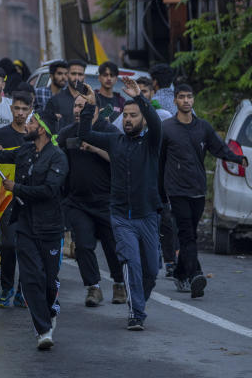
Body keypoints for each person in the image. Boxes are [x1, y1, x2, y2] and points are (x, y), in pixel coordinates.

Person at [0, 109, 68, 350]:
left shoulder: (57, 157)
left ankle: (50, 311)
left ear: (44, 130)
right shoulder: (25, 150)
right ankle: (43, 329)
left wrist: (17, 188)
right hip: (25, 224)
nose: (27, 125)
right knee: (30, 278)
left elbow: (49, 191)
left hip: (49, 227)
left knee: (48, 280)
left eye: (32, 121)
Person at [78, 77, 162, 331]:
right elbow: (85, 134)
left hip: (147, 215)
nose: (127, 119)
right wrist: (90, 107)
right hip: (121, 217)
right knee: (132, 263)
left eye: (133, 115)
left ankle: (139, 300)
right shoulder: (115, 141)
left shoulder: (151, 143)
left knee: (151, 271)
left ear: (142, 119)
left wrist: (139, 98)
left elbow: (157, 123)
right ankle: (136, 312)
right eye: (125, 115)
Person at [160, 83, 247, 298]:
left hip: (198, 189)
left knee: (190, 233)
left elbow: (219, 149)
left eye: (189, 97)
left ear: (193, 100)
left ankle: (180, 273)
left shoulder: (203, 127)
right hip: (176, 190)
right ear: (175, 101)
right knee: (187, 234)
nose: (186, 101)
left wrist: (238, 158)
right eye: (182, 97)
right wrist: (160, 191)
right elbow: (159, 161)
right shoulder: (167, 128)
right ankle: (196, 275)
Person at [58, 96, 127, 307]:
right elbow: (56, 158)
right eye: (77, 105)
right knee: (84, 246)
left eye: (84, 106)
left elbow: (122, 159)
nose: (79, 110)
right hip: (78, 202)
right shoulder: (67, 133)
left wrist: (95, 148)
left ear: (96, 110)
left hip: (107, 201)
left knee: (112, 246)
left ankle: (119, 284)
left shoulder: (110, 132)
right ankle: (93, 288)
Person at [0, 91, 32, 307]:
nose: (20, 113)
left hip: (30, 199)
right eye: (17, 108)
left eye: (24, 109)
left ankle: (23, 292)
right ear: (11, 109)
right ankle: (7, 288)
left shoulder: (34, 136)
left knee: (27, 247)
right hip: (6, 200)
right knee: (8, 245)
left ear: (30, 111)